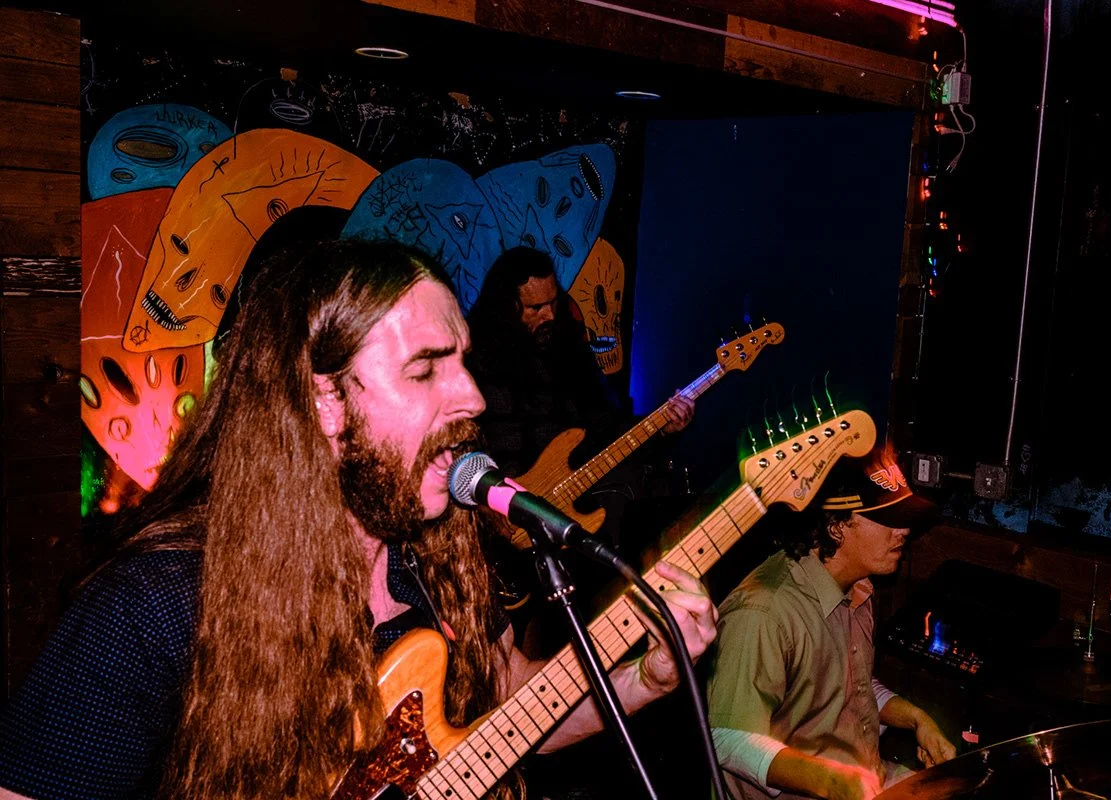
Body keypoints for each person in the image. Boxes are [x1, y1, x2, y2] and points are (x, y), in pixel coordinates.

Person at [0, 239, 717, 800]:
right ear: (325, 403)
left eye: (463, 362)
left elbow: (507, 709)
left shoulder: (436, 554)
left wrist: (643, 681)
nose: (471, 396)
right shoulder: (158, 603)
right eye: (426, 369)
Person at [706, 448, 957, 800]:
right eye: (889, 519)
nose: (904, 531)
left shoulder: (858, 587)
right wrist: (829, 780)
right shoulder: (763, 610)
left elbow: (849, 684)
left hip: (867, 779)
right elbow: (725, 737)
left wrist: (916, 718)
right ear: (836, 526)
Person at [466, 246, 693, 480]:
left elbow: (609, 425)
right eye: (536, 308)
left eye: (553, 302)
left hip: (582, 495)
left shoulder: (569, 347)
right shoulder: (481, 363)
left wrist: (662, 429)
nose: (550, 315)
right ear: (508, 307)